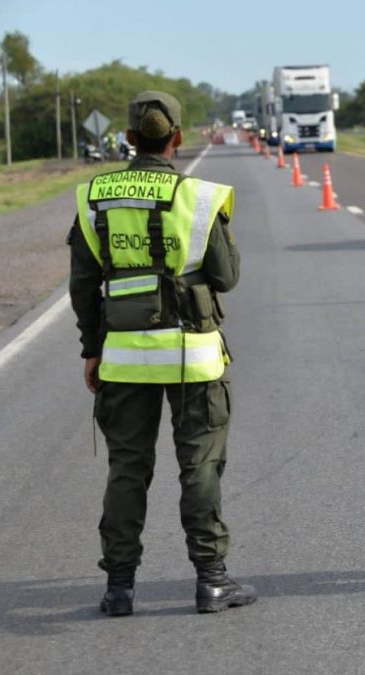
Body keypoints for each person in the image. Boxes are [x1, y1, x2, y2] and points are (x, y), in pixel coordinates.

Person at [68, 90, 256, 615]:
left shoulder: (94, 197)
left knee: (127, 469)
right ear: (177, 137)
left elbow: (83, 285)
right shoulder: (197, 196)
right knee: (199, 466)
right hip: (194, 358)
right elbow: (227, 276)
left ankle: (119, 589)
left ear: (129, 139)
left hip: (122, 358)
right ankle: (211, 581)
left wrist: (91, 349)